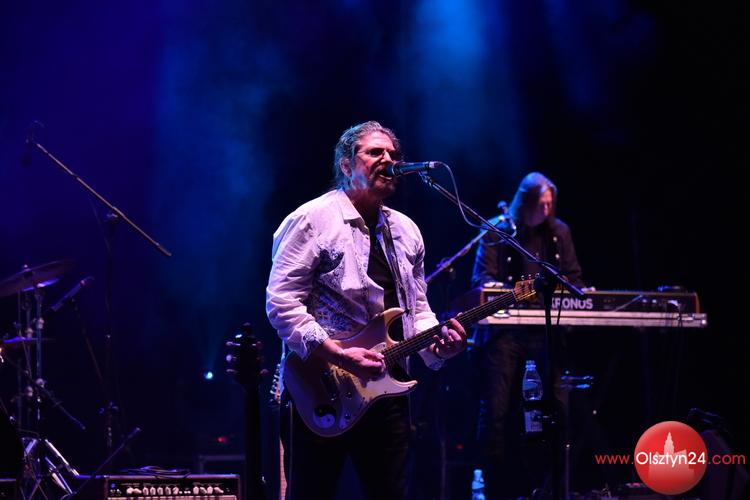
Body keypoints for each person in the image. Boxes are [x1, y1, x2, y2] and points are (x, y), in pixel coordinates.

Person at [266, 121, 467, 500]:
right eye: (375, 152)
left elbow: (416, 309)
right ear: (346, 164)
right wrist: (340, 356)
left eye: (393, 153)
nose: (388, 159)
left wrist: (438, 345)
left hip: (387, 390)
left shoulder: (406, 231)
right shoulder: (312, 220)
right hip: (321, 386)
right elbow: (282, 302)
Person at [471, 172, 585, 498]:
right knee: (497, 409)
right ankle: (494, 486)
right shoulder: (498, 229)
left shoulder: (559, 232)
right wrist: (506, 293)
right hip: (505, 333)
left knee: (556, 407)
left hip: (545, 332)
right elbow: (482, 280)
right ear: (525, 203)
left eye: (550, 204)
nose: (546, 210)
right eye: (540, 204)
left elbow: (574, 278)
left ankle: (552, 487)